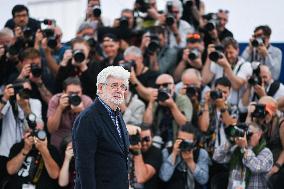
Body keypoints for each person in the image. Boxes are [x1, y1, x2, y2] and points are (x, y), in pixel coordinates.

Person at [72, 66, 130, 189]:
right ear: (100, 88)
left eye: (122, 86)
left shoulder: (117, 114)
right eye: (114, 85)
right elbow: (84, 166)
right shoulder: (88, 118)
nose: (119, 90)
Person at [213, 122, 273, 189]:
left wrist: (244, 148)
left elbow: (257, 167)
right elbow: (216, 157)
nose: (247, 137)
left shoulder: (266, 152)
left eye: (249, 134)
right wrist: (230, 142)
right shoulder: (236, 150)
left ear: (259, 135)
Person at [6, 121, 61, 189]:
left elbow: (55, 175)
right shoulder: (18, 147)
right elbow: (10, 170)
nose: (35, 135)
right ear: (25, 134)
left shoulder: (52, 149)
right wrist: (25, 150)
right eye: (32, 132)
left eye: (38, 132)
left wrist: (44, 150)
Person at [47, 77, 92, 151]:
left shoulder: (87, 101)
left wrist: (82, 112)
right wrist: (60, 108)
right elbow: (51, 129)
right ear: (64, 92)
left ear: (82, 92)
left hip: (80, 144)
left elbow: (92, 130)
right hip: (58, 144)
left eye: (77, 93)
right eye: (71, 93)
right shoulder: (55, 100)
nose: (74, 96)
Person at [159, 122, 209, 189]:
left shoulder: (201, 153)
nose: (184, 144)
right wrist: (173, 154)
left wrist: (191, 163)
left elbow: (203, 180)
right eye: (181, 140)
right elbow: (164, 177)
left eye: (187, 142)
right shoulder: (167, 152)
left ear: (194, 142)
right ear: (176, 139)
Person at [129, 125, 162, 189]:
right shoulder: (129, 148)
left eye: (147, 139)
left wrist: (137, 152)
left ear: (152, 138)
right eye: (140, 139)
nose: (144, 143)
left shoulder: (155, 152)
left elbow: (141, 178)